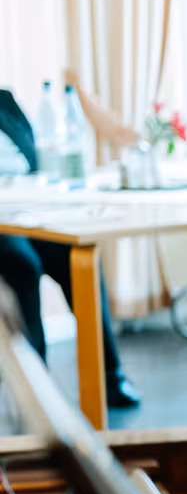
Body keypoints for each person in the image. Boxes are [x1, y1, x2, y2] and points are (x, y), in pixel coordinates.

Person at [0, 89, 140, 409]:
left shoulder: (4, 101)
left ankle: (109, 376)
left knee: (74, 253)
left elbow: (34, 159)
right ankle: (36, 389)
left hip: (24, 210)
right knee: (23, 264)